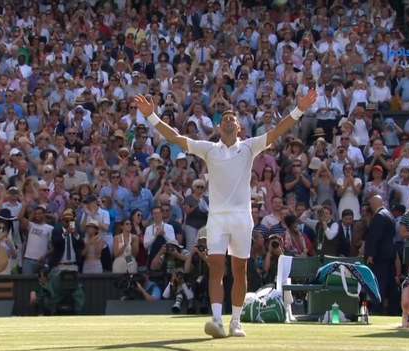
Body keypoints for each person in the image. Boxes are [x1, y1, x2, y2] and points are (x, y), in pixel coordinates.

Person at [134, 88, 317, 338]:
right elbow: (175, 137)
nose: (229, 120)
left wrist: (300, 109)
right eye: (225, 119)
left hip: (242, 219)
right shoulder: (208, 149)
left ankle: (236, 322)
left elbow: (277, 130)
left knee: (240, 271)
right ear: (219, 128)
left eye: (233, 118)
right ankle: (217, 320)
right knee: (217, 270)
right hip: (217, 220)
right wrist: (151, 116)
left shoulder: (250, 147)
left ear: (239, 127)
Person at [364, 195, 398, 315]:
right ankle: (393, 308)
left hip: (380, 255)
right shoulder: (389, 215)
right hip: (389, 254)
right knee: (389, 282)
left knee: (378, 282)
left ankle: (376, 307)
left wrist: (371, 254)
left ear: (373, 204)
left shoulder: (379, 216)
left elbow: (376, 237)